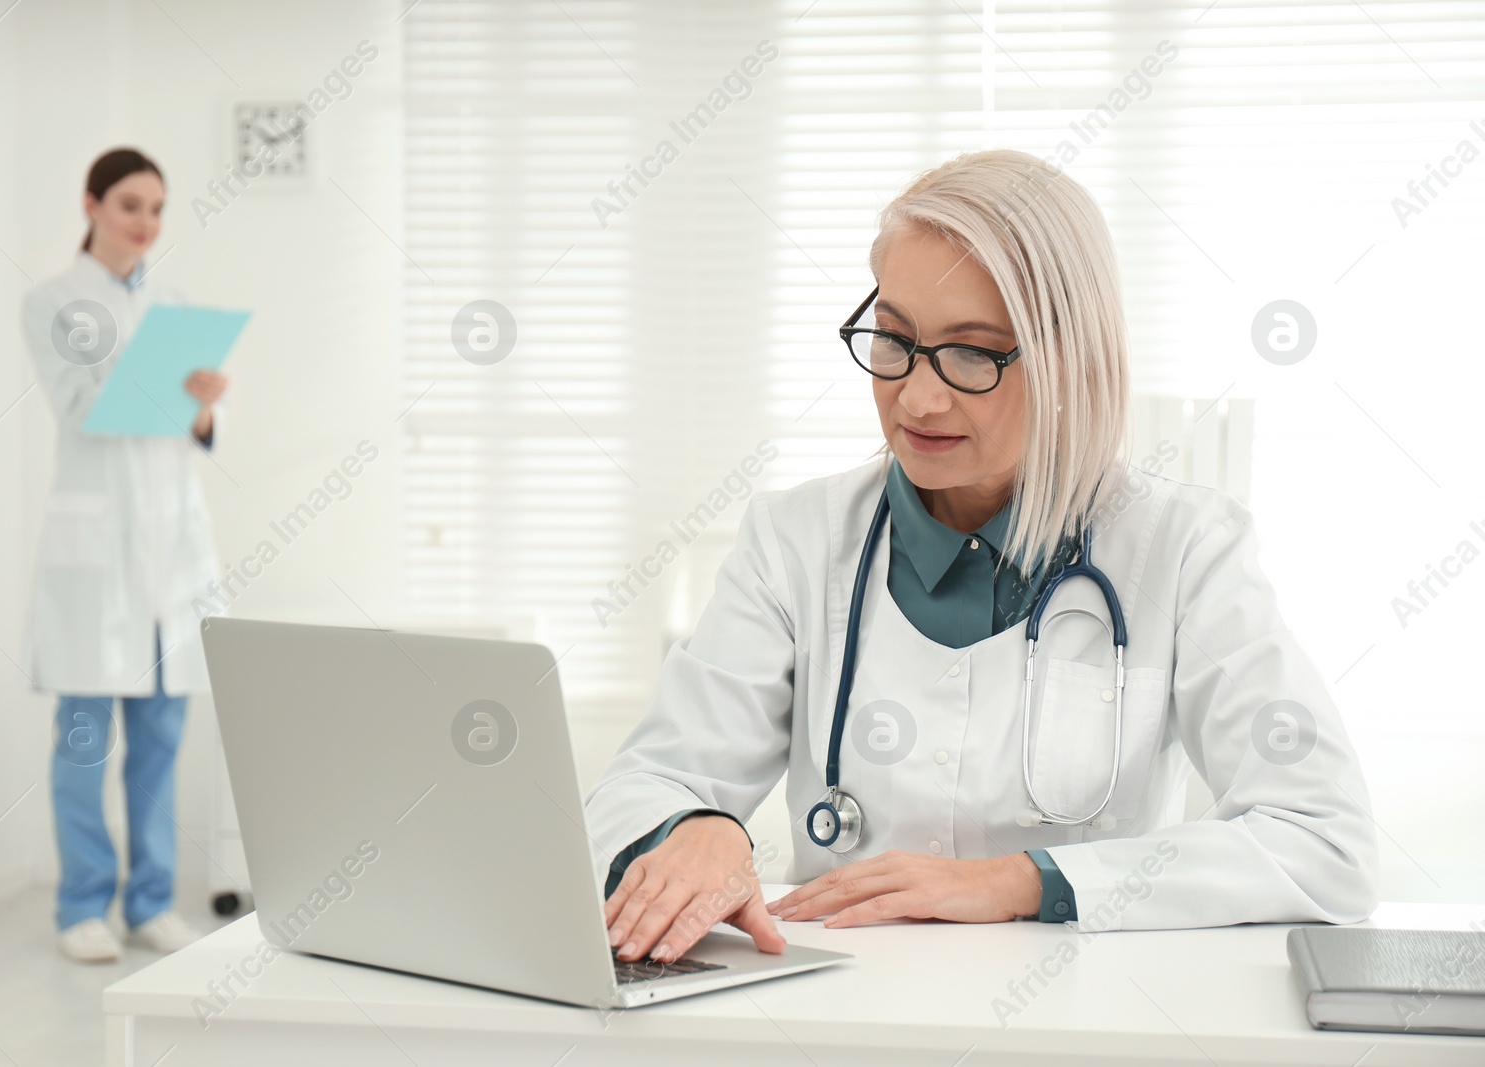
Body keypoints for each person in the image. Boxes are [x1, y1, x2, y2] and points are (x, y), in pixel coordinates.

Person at [585, 149, 1378, 967]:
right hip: (837, 1022)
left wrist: (1021, 882)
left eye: (973, 355)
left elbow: (1323, 841)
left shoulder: (1184, 552)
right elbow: (641, 785)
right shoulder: (795, 540)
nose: (918, 397)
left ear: (1071, 356)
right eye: (893, 339)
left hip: (1073, 1023)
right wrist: (697, 827)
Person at [20, 148, 229, 963]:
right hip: (95, 561)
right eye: (130, 205)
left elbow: (188, 433)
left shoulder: (174, 305)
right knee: (83, 739)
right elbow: (82, 407)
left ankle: (149, 902)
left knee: (160, 739)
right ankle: (82, 905)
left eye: (157, 208)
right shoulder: (53, 301)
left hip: (169, 556)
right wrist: (166, 388)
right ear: (92, 204)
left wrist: (203, 409)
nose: (145, 222)